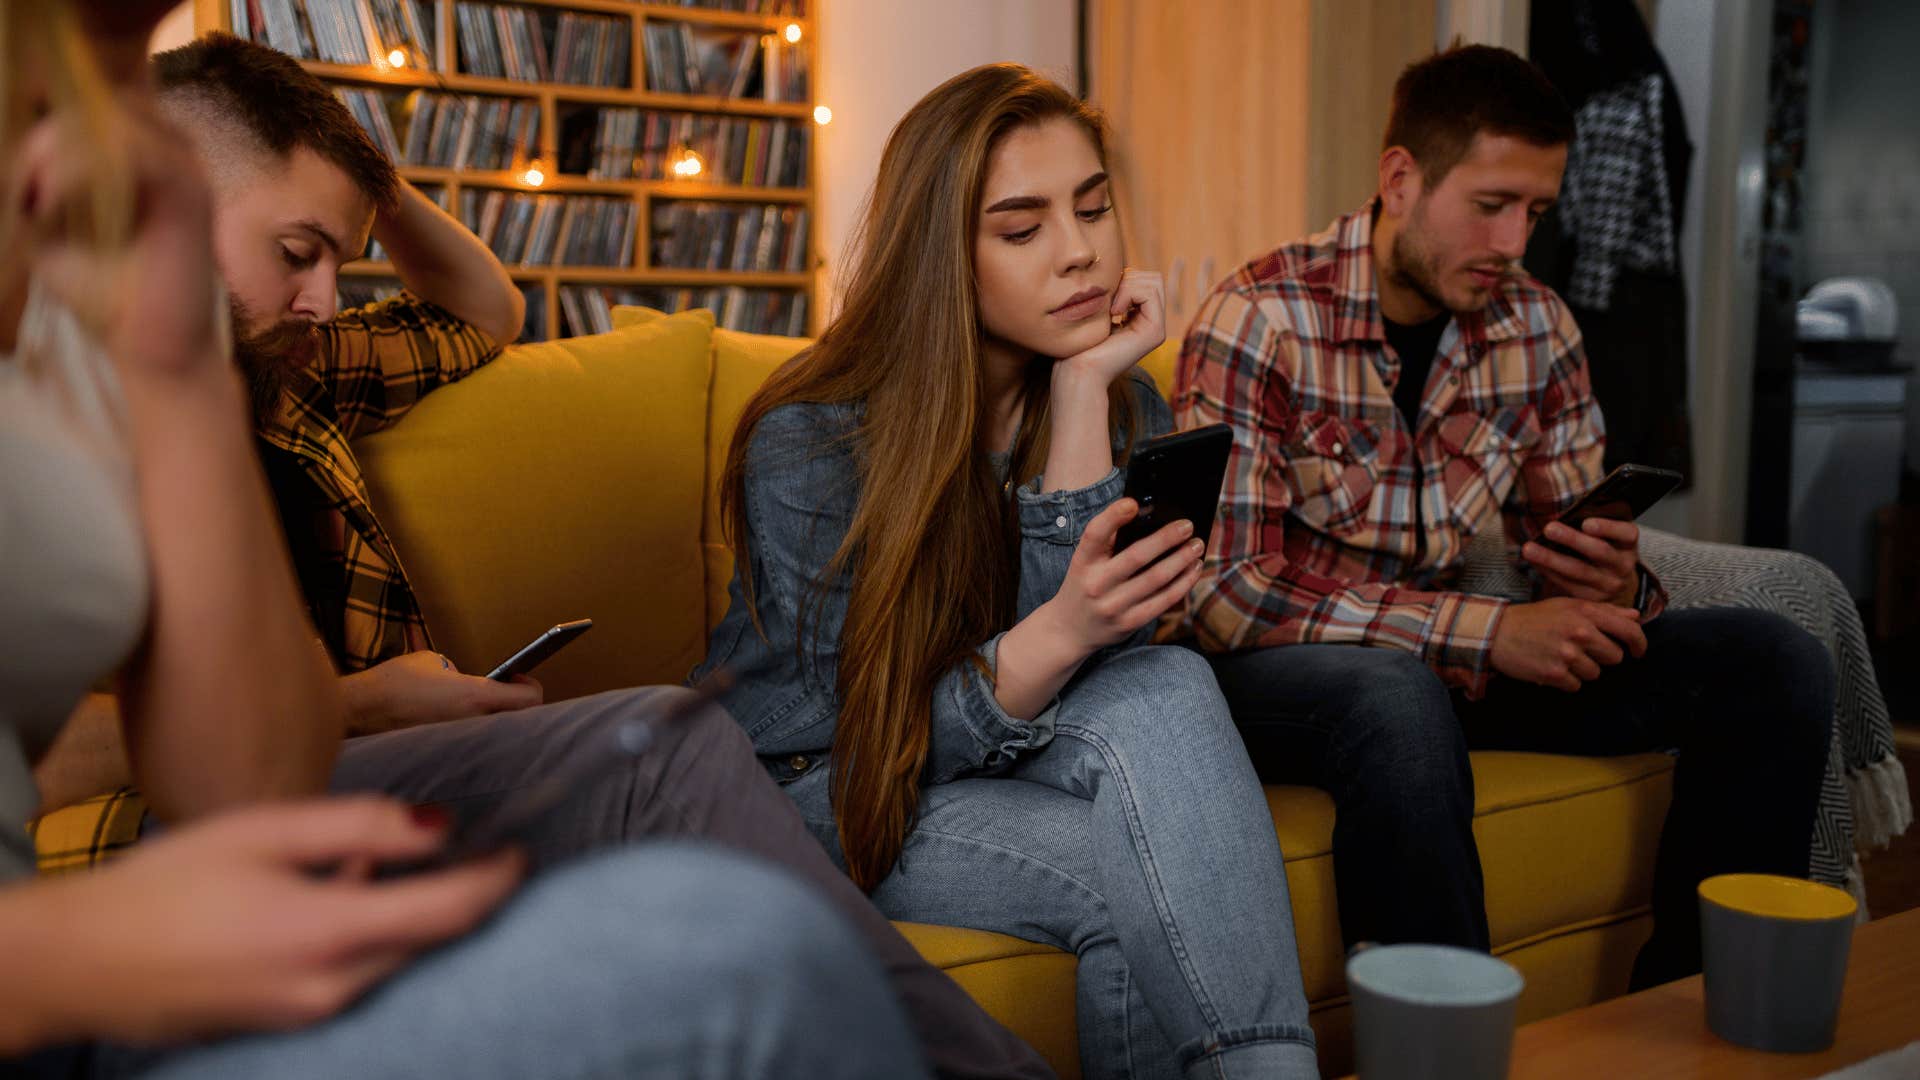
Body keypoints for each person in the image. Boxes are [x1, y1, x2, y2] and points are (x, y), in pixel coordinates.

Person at [23, 27, 1047, 1079]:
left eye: (340, 258)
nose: (325, 298)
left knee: (665, 750)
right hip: (208, 808)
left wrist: (364, 183)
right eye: (297, 253)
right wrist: (368, 699)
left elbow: (486, 309)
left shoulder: (289, 368)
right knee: (687, 810)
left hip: (313, 767)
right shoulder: (65, 388)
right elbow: (85, 757)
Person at [703, 63, 1318, 1080]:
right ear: (941, 254)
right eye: (1023, 230)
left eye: (1094, 208)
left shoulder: (1122, 403)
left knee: (1163, 705)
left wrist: (1081, 395)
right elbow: (879, 739)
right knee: (1156, 848)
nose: (1079, 254)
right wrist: (1070, 626)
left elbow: (1112, 679)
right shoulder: (810, 438)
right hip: (821, 786)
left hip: (1003, 749)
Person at [1173, 44, 1833, 989]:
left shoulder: (1538, 328)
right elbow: (1223, 595)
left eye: (1537, 211)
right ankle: (1444, 1045)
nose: (1516, 242)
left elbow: (1564, 542)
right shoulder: (1260, 318)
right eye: (1491, 206)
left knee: (1773, 659)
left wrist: (1611, 581)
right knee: (1393, 694)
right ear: (1401, 179)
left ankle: (1698, 1006)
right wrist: (1486, 632)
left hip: (1449, 669)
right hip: (1285, 679)